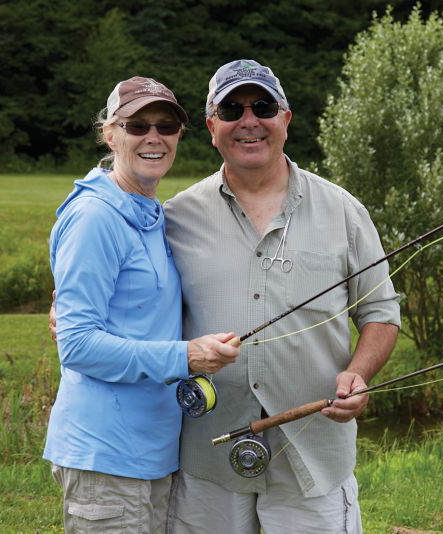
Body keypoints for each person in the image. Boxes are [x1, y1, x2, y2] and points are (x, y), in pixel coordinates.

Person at [162, 59, 400, 534]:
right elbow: (129, 293)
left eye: (262, 106)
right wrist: (65, 304)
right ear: (212, 128)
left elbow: (381, 311)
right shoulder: (174, 216)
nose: (248, 121)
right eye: (231, 109)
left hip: (315, 457)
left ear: (285, 120)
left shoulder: (344, 210)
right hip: (207, 459)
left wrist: (358, 373)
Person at [45, 76, 240, 533]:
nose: (154, 137)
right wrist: (186, 355)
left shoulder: (150, 212)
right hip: (107, 455)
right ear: (110, 134)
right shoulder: (95, 216)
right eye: (137, 125)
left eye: (167, 124)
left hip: (151, 453)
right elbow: (76, 345)